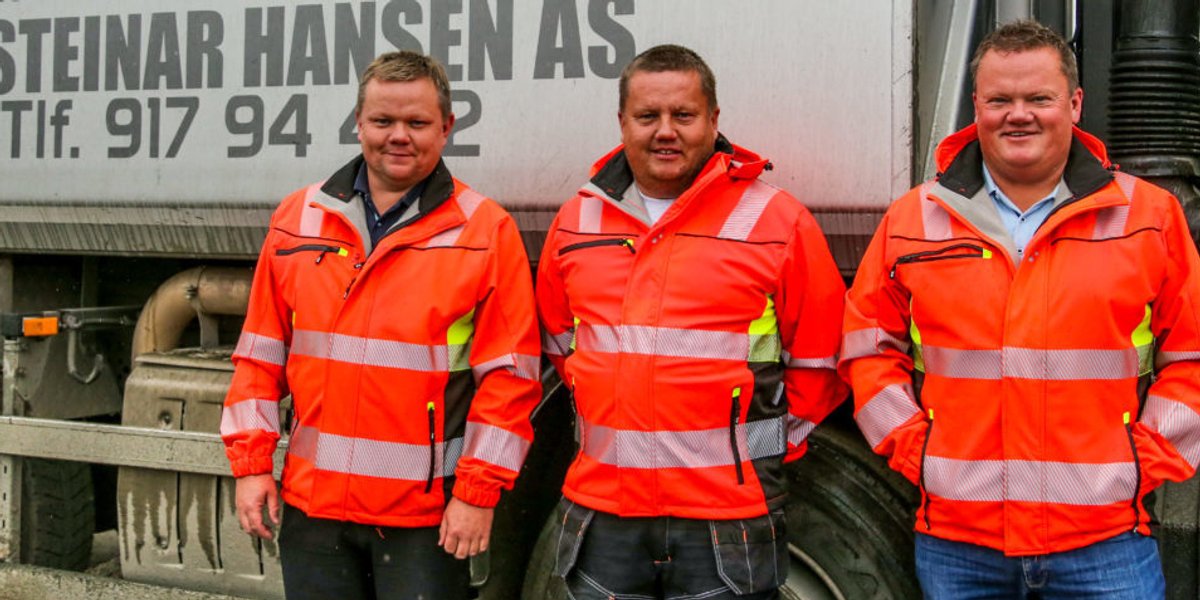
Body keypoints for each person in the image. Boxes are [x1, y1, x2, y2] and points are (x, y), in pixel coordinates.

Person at [841, 19, 1200, 598]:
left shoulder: (1149, 218)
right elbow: (865, 351)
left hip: (1106, 542)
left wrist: (1144, 460)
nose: (1019, 114)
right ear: (976, 106)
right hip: (960, 545)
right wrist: (916, 449)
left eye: (1039, 98)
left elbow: (1193, 355)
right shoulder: (914, 220)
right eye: (1000, 99)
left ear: (1075, 104)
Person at [219, 51, 541, 600]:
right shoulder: (298, 219)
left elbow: (510, 380)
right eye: (382, 121)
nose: (399, 136)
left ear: (446, 128)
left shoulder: (485, 232)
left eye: (416, 123)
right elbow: (259, 356)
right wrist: (251, 466)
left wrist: (477, 495)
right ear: (358, 123)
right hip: (312, 510)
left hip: (423, 518)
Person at [536, 44, 847, 599]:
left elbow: (822, 360)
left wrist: (757, 451)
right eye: (647, 116)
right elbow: (562, 342)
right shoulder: (577, 219)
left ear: (713, 119)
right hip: (604, 510)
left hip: (726, 515)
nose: (665, 131)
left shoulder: (775, 220)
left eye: (683, 115)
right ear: (622, 122)